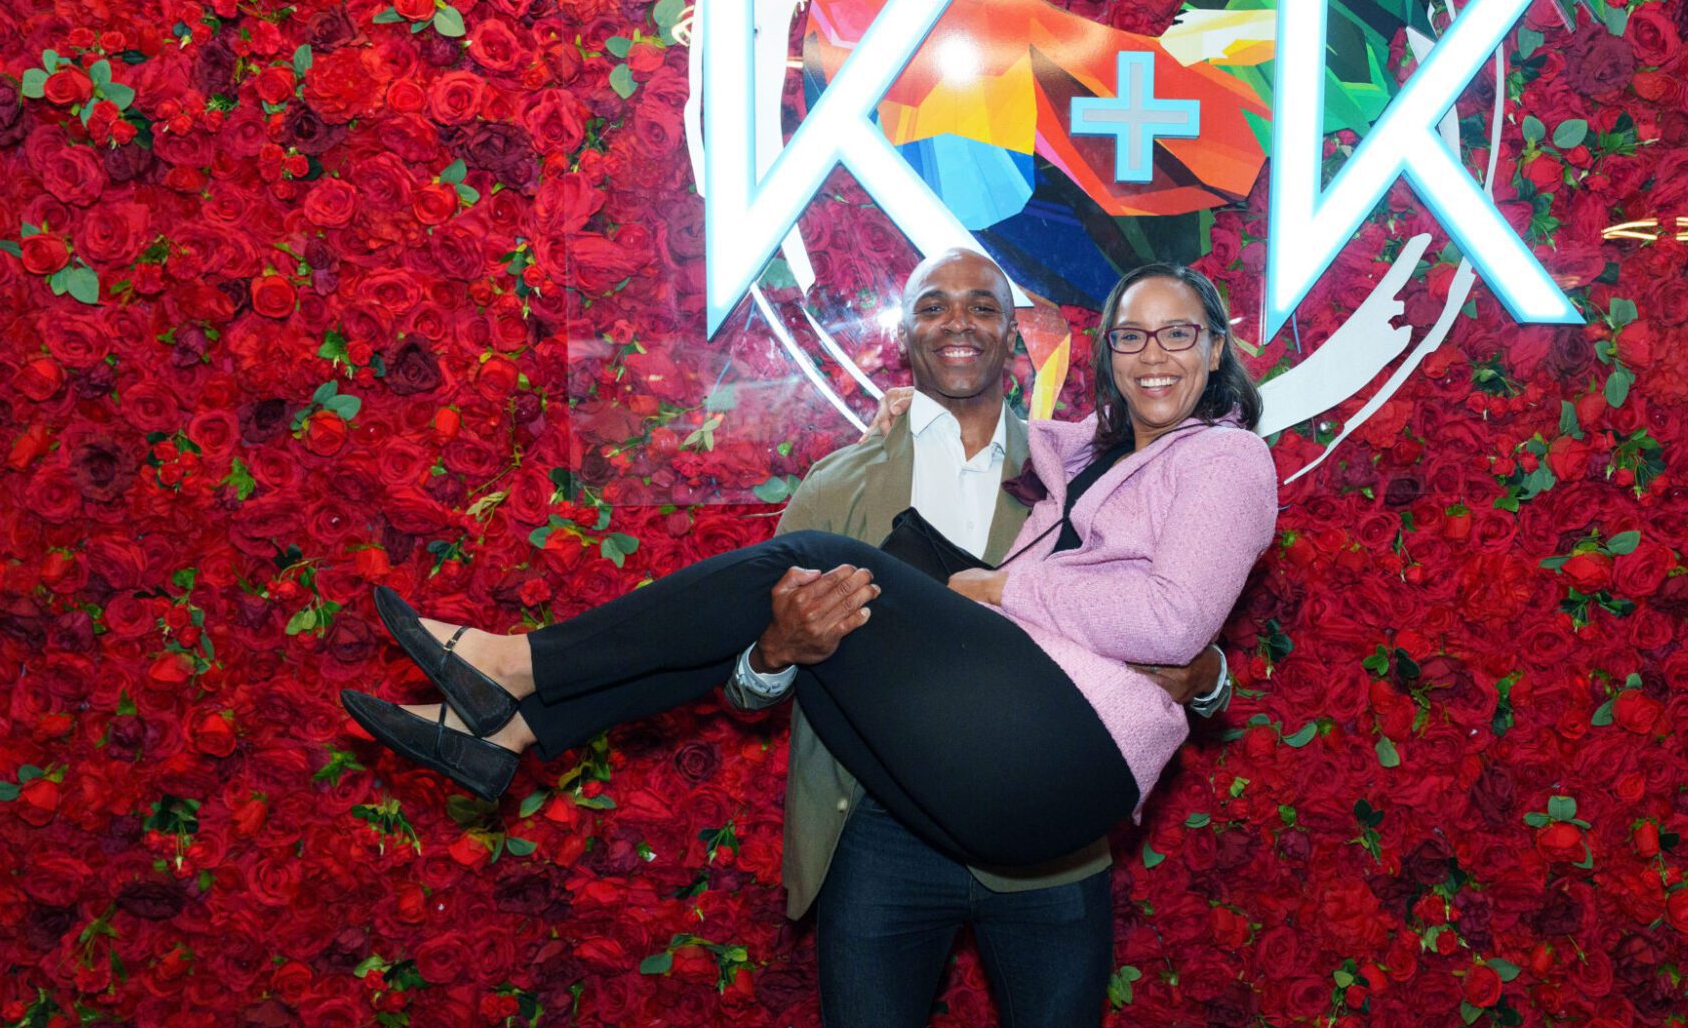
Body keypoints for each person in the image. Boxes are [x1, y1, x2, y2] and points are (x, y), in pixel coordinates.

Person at [339, 258, 1277, 871]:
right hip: (991, 759)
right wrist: (905, 414)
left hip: (1072, 746)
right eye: (1130, 335)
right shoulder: (1092, 452)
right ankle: (510, 731)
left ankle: (512, 664)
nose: (1153, 355)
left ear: (1215, 349)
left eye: (1179, 333)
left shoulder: (1227, 456)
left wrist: (1003, 586)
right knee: (811, 607)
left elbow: (1173, 623)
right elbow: (1027, 433)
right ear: (1107, 354)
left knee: (822, 565)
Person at [718, 249, 1230, 1028]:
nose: (958, 322)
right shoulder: (839, 485)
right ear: (905, 333)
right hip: (882, 835)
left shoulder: (1084, 472)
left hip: (1045, 836)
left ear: (1012, 336)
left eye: (983, 307)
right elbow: (747, 680)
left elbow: (1174, 605)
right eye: (934, 306)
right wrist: (775, 653)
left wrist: (1207, 672)